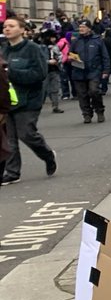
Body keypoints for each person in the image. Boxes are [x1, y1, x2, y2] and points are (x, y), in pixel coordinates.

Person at [1, 16, 58, 185]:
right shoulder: (4, 50)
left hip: (29, 100)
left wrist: (11, 73)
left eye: (11, 26)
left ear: (22, 30)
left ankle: (48, 155)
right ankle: (12, 172)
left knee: (27, 134)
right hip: (7, 100)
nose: (7, 29)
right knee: (10, 138)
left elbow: (39, 74)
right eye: (5, 26)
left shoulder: (33, 49)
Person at [68, 20, 111, 123]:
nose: (81, 29)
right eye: (80, 27)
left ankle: (99, 111)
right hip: (78, 71)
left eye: (83, 27)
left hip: (94, 71)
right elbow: (70, 54)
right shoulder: (76, 41)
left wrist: (106, 70)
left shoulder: (97, 40)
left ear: (89, 28)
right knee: (82, 95)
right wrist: (72, 58)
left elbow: (105, 56)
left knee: (94, 91)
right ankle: (87, 114)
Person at [38, 30, 65, 113]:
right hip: (44, 71)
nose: (54, 39)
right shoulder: (41, 47)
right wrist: (48, 61)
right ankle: (37, 106)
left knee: (55, 89)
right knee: (42, 90)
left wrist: (59, 60)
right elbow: (38, 59)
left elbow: (59, 55)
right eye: (52, 37)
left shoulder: (55, 46)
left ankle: (55, 106)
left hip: (55, 70)